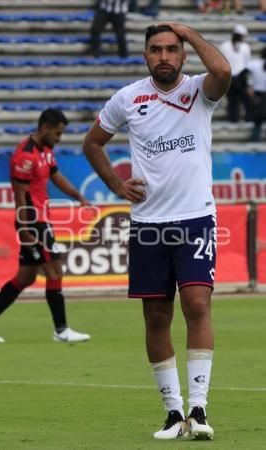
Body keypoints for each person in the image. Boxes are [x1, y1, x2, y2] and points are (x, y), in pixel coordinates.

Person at [83, 23, 231, 440]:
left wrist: (190, 32)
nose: (163, 56)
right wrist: (115, 183)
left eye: (171, 49)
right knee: (155, 315)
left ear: (183, 55)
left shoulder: (199, 91)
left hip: (195, 217)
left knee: (198, 305)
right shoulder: (128, 98)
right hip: (148, 222)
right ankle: (173, 414)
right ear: (145, 55)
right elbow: (92, 142)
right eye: (155, 50)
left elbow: (224, 72)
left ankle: (199, 410)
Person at [0, 109, 91, 344]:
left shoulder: (45, 149)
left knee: (26, 277)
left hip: (39, 218)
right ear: (45, 127)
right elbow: (20, 196)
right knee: (55, 270)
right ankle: (61, 330)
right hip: (32, 221)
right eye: (57, 133)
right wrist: (25, 227)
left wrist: (79, 197)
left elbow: (56, 176)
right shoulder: (24, 156)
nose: (59, 139)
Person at [219, 24, 252, 122]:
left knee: (232, 101)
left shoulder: (224, 45)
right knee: (246, 100)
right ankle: (249, 118)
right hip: (241, 76)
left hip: (229, 77)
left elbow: (221, 62)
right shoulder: (245, 47)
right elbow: (247, 64)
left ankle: (233, 119)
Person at [247, 47, 266, 141]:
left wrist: (249, 87)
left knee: (257, 121)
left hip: (258, 95)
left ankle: (255, 140)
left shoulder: (254, 64)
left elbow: (245, 74)